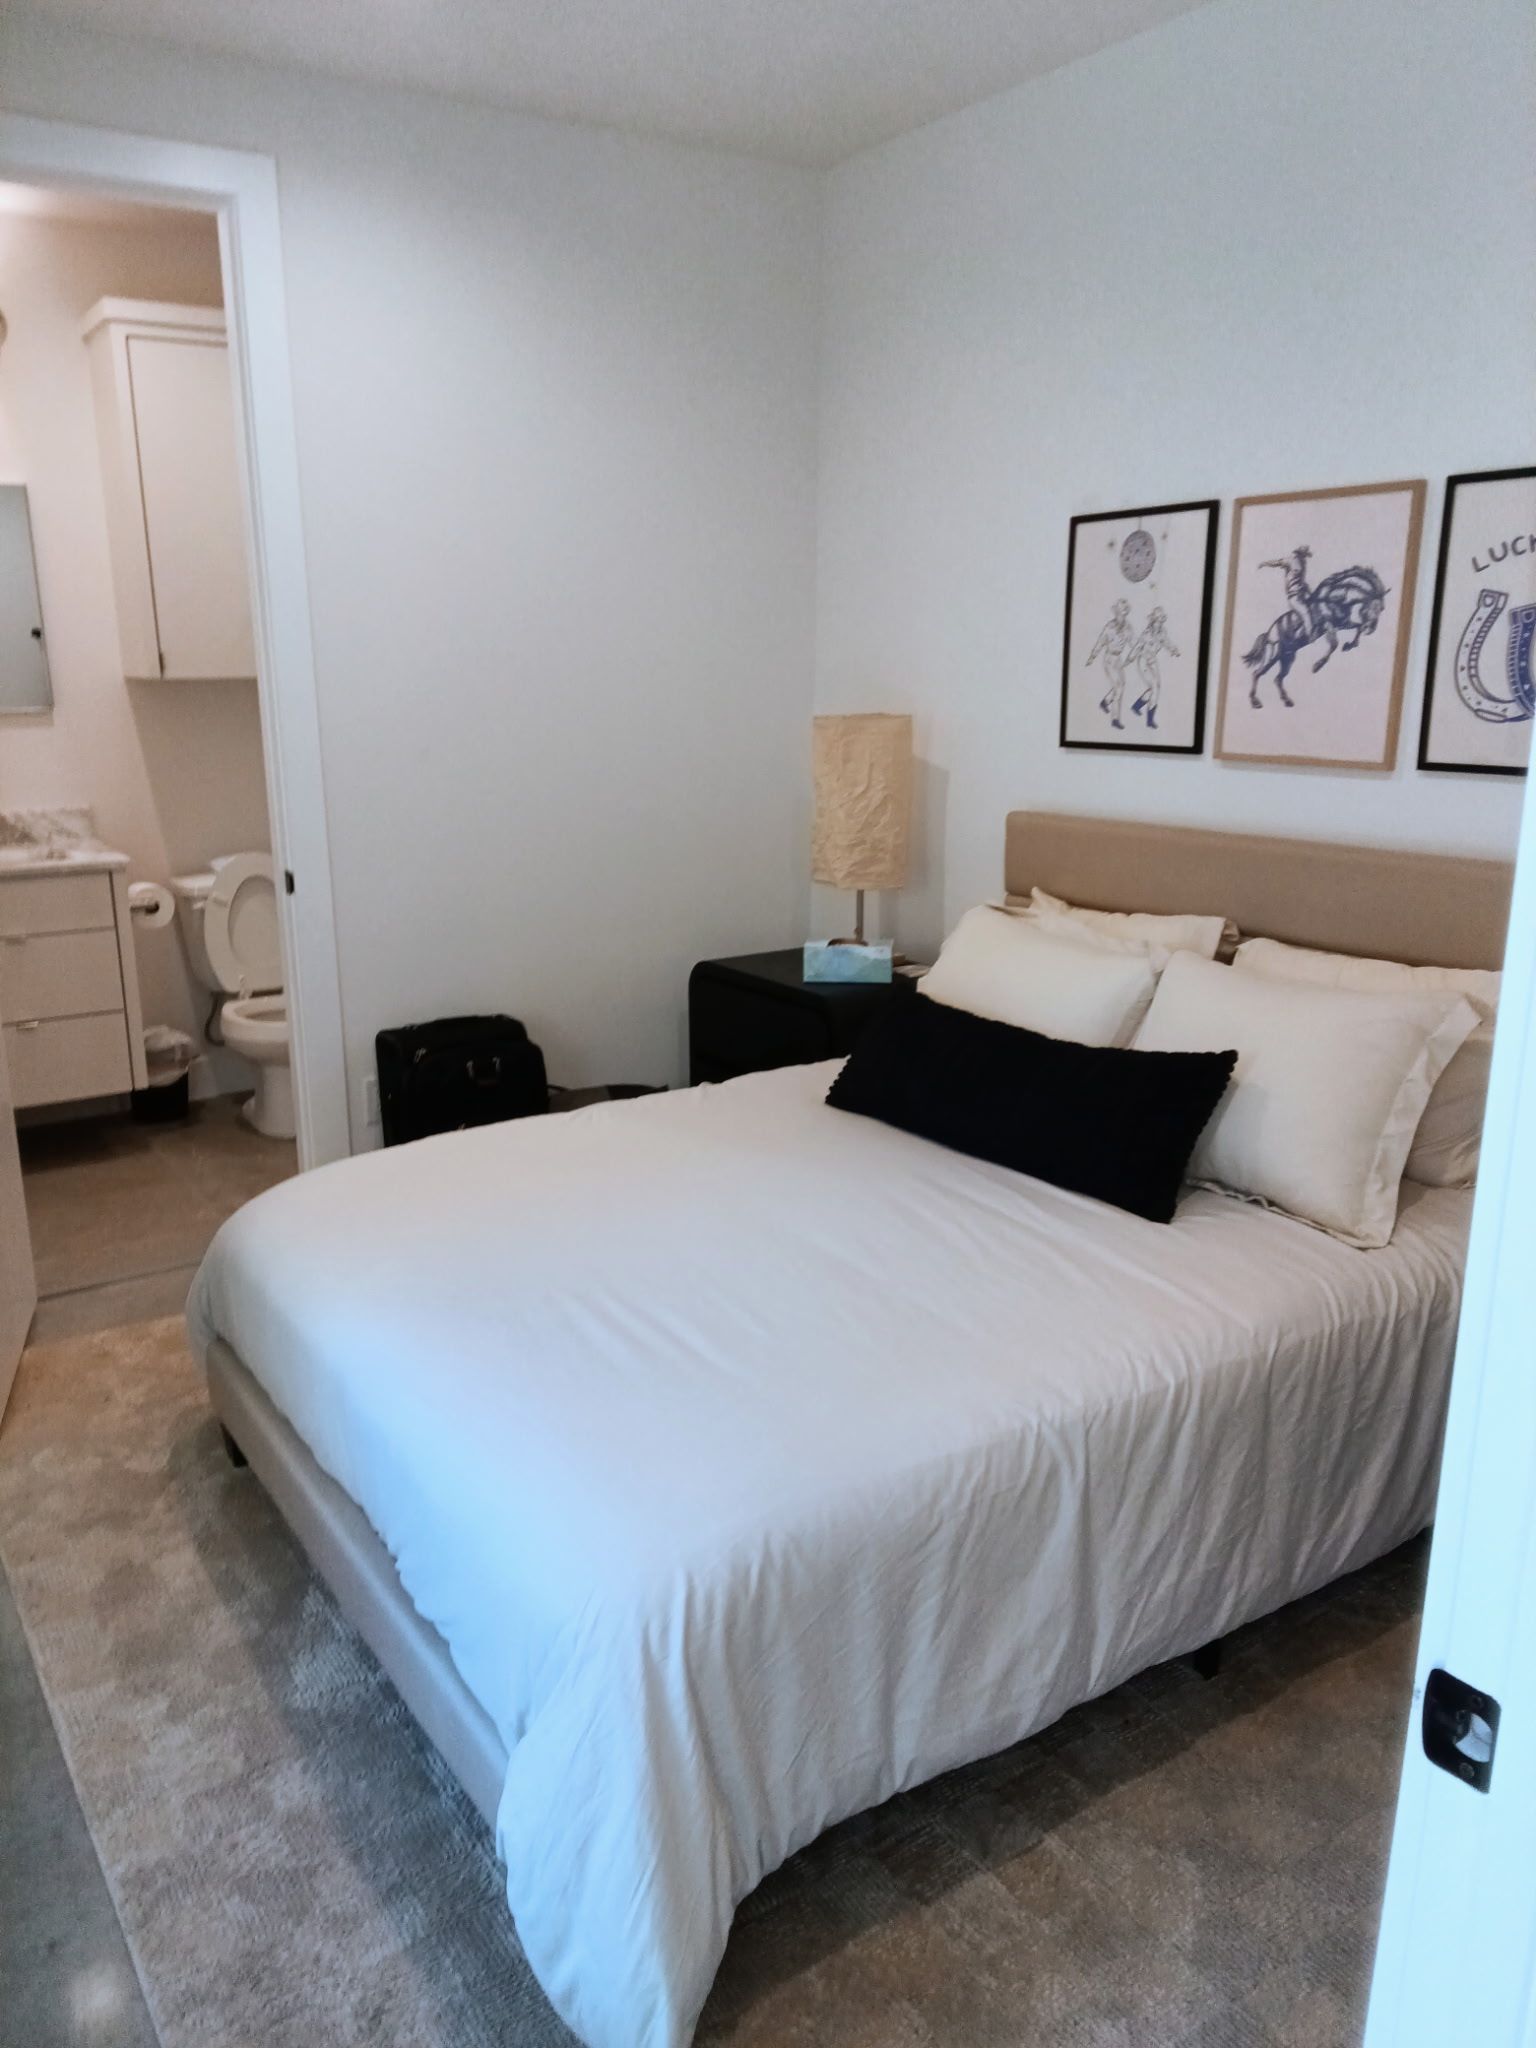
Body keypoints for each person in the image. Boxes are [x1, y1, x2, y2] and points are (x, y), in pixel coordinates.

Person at [1086, 599, 1135, 728]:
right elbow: (1100, 643)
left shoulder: (1128, 627)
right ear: (1116, 613)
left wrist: (1138, 653)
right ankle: (1115, 719)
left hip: (1118, 659)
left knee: (1121, 685)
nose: (1122, 616)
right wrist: (1092, 657)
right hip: (1109, 659)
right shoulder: (1109, 627)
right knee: (1118, 688)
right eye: (1120, 613)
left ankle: (1105, 702)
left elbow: (1133, 643)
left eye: (1124, 613)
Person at [1129, 606, 1180, 729]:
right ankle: (1149, 720)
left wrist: (1173, 650)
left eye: (1161, 620)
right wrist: (1130, 658)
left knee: (1156, 687)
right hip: (1143, 661)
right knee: (1154, 688)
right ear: (1153, 621)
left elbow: (1166, 641)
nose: (1159, 623)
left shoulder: (1162, 632)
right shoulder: (1146, 634)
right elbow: (1137, 647)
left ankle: (1137, 706)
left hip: (1153, 661)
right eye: (1157, 620)